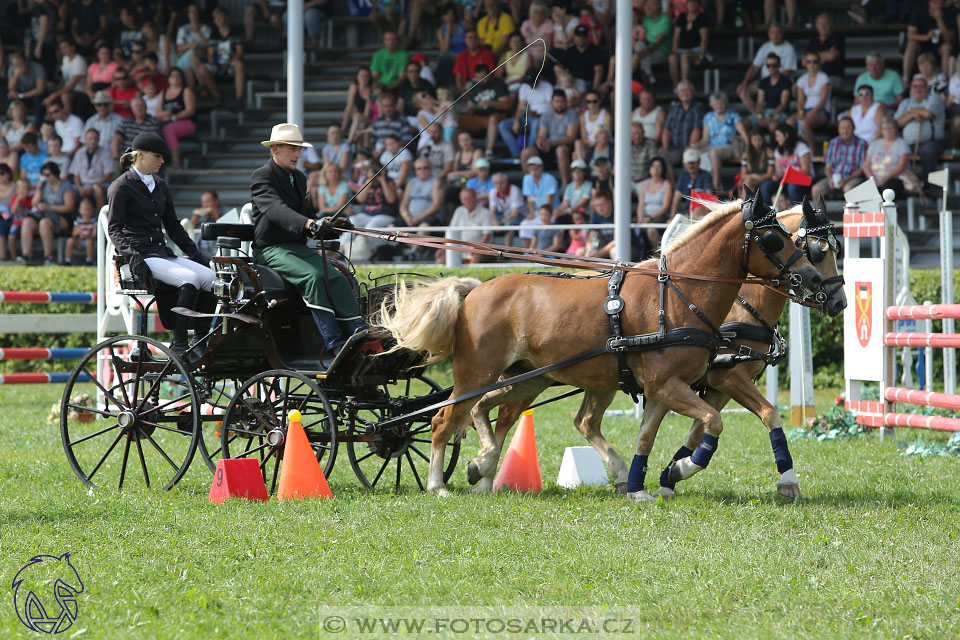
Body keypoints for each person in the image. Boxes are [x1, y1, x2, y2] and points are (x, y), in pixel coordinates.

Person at [250, 123, 365, 368]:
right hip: (270, 250)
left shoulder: (299, 178)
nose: (298, 154)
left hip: (297, 249)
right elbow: (275, 210)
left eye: (299, 149)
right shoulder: (262, 176)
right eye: (292, 149)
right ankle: (334, 346)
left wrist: (329, 223)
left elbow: (306, 213)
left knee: (336, 276)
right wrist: (310, 224)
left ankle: (358, 335)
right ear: (275, 150)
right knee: (313, 276)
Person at [107, 133, 213, 355]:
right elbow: (114, 229)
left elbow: (173, 227)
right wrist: (133, 256)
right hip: (140, 256)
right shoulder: (121, 187)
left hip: (161, 254)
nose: (162, 161)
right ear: (140, 155)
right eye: (157, 156)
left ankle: (201, 340)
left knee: (211, 278)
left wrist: (197, 255)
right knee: (190, 279)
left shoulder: (161, 186)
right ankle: (180, 342)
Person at [19, 161, 75, 265]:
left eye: (47, 175)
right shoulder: (43, 185)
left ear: (55, 174)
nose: (45, 177)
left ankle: (48, 257)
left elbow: (69, 207)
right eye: (43, 175)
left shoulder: (65, 185)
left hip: (62, 217)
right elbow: (34, 203)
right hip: (44, 215)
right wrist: (39, 189)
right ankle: (27, 256)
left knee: (44, 223)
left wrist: (49, 207)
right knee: (27, 222)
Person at [736, 24, 797, 114]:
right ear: (769, 34)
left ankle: (773, 117)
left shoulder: (789, 48)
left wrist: (772, 83)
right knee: (742, 91)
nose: (775, 35)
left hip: (782, 82)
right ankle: (757, 117)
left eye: (778, 32)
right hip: (764, 82)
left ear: (782, 34)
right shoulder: (765, 47)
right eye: (772, 32)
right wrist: (745, 82)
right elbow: (754, 66)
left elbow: (787, 72)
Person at [895, 76, 945, 179]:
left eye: (922, 86)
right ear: (911, 89)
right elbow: (896, 123)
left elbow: (928, 113)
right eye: (915, 86)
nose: (918, 89)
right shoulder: (905, 102)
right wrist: (912, 115)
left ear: (927, 88)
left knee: (928, 151)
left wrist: (910, 112)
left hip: (931, 141)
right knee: (897, 150)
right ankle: (906, 185)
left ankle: (927, 186)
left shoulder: (934, 98)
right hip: (908, 143)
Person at [524, 89, 579, 185]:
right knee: (526, 152)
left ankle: (565, 184)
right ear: (552, 102)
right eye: (557, 102)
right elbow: (541, 134)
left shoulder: (572, 113)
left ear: (566, 101)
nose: (559, 104)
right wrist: (540, 142)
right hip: (549, 145)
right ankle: (530, 183)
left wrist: (553, 143)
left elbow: (571, 137)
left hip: (565, 146)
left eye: (562, 102)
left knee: (560, 150)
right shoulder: (547, 114)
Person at [458, 63, 513, 159]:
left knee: (493, 119)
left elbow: (506, 105)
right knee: (459, 121)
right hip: (479, 117)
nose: (481, 80)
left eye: (483, 77)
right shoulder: (474, 86)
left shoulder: (498, 84)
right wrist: (472, 108)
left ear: (489, 75)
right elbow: (469, 106)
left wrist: (490, 102)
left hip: (498, 116)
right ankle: (459, 154)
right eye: (478, 77)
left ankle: (489, 151)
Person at [498, 68, 553, 158]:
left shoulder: (547, 87)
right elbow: (521, 107)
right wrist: (516, 121)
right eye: (529, 82)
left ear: (539, 79)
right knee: (503, 125)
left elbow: (551, 109)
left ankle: (530, 153)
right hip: (529, 117)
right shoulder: (524, 87)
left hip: (543, 118)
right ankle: (516, 154)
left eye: (532, 82)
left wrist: (539, 115)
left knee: (536, 122)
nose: (530, 85)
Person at [812, 117, 867, 202]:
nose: (845, 131)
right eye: (842, 128)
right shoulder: (833, 143)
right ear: (838, 129)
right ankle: (820, 215)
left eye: (848, 128)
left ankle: (850, 215)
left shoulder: (862, 144)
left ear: (854, 129)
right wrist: (831, 179)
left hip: (853, 178)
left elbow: (862, 169)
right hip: (835, 178)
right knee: (816, 189)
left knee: (848, 189)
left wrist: (845, 180)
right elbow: (828, 166)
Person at [701, 92, 746, 192]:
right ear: (712, 105)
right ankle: (700, 187)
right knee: (692, 154)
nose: (719, 106)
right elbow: (705, 139)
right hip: (711, 147)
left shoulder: (733, 115)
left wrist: (748, 148)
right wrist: (695, 146)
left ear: (726, 103)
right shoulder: (708, 117)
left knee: (713, 153)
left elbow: (744, 134)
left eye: (721, 103)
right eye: (716, 104)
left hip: (730, 147)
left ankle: (715, 187)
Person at [788, 53, 831, 155]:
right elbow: (800, 101)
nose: (812, 64)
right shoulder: (802, 79)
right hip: (806, 110)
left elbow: (823, 101)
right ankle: (790, 151)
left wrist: (811, 113)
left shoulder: (824, 77)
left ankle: (811, 153)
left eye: (815, 61)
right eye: (809, 62)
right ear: (805, 64)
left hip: (821, 111)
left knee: (804, 123)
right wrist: (801, 113)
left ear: (819, 63)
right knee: (790, 122)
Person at [903, 0, 953, 87]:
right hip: (923, 44)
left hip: (939, 47)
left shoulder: (947, 12)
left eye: (940, 4)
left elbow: (949, 39)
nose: (938, 6)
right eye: (935, 3)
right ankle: (906, 78)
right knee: (911, 44)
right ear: (929, 2)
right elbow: (910, 35)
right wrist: (926, 37)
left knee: (947, 47)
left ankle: (944, 81)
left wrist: (939, 20)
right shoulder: (919, 11)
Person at [760, 123, 812, 205]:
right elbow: (779, 172)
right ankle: (768, 214)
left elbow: (806, 171)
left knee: (792, 187)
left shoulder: (801, 147)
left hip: (804, 179)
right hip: (785, 179)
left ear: (786, 135)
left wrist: (790, 175)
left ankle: (796, 214)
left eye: (778, 136)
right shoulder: (778, 150)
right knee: (765, 187)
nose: (776, 139)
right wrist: (776, 176)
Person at [660, 80, 704, 170]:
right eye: (682, 91)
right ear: (678, 94)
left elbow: (697, 129)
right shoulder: (674, 108)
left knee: (689, 159)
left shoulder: (698, 107)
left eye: (687, 90)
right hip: (674, 148)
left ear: (693, 92)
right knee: (661, 160)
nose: (685, 93)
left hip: (691, 147)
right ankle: (671, 184)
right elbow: (666, 129)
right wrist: (665, 146)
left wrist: (690, 147)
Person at [863, 117, 910, 196]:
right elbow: (866, 165)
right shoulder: (874, 144)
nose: (887, 131)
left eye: (890, 128)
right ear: (881, 130)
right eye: (885, 128)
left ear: (896, 129)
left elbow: (902, 166)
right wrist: (872, 179)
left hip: (893, 179)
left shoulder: (902, 144)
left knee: (887, 189)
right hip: (874, 179)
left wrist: (884, 179)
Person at [668, 0, 710, 87]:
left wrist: (701, 57)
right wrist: (674, 52)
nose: (692, 5)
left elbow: (704, 39)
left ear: (698, 5)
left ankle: (685, 85)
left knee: (685, 56)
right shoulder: (682, 17)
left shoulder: (702, 17)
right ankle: (676, 86)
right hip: (682, 49)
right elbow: (675, 38)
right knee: (672, 58)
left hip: (697, 49)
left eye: (694, 3)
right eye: (690, 3)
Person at [636, 156, 673, 252]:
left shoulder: (666, 184)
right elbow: (641, 205)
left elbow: (665, 206)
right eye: (653, 166)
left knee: (651, 230)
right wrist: (640, 217)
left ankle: (658, 255)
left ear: (663, 169)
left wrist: (651, 217)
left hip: (659, 217)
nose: (655, 169)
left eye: (658, 166)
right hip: (646, 217)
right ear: (649, 169)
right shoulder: (644, 186)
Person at [69, 128, 113, 208]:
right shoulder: (79, 152)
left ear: (98, 140)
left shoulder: (106, 152)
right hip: (82, 185)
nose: (92, 141)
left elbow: (108, 174)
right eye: (90, 139)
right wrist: (80, 188)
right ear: (85, 140)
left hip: (99, 184)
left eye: (95, 138)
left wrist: (93, 186)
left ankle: (99, 217)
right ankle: (74, 218)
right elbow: (76, 174)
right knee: (68, 190)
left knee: (98, 190)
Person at [447, 187, 493, 263]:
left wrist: (477, 248)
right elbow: (451, 231)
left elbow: (487, 235)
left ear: (475, 198)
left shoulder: (485, 212)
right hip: (459, 249)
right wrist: (444, 247)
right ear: (461, 201)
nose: (468, 201)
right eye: (465, 199)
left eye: (470, 198)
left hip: (480, 249)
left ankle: (470, 275)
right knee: (441, 256)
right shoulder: (458, 211)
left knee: (475, 256)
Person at [635, 0, 672, 86]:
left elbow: (659, 41)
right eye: (645, 6)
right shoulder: (646, 21)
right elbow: (639, 38)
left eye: (648, 6)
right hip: (646, 50)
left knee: (637, 59)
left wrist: (646, 52)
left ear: (656, 7)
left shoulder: (665, 20)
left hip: (661, 51)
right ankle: (648, 74)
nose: (645, 8)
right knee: (638, 45)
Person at [6, 52, 47, 128]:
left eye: (19, 64)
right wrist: (16, 76)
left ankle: (37, 126)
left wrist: (21, 95)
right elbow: (11, 89)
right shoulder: (12, 69)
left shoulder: (37, 68)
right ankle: (9, 124)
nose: (17, 67)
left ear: (26, 62)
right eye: (15, 64)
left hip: (35, 94)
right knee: (10, 97)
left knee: (38, 98)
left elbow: (40, 90)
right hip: (22, 94)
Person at [400, 158, 444, 227]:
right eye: (419, 168)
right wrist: (406, 217)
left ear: (431, 169)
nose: (422, 171)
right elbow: (403, 205)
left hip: (429, 218)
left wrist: (418, 218)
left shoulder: (436, 181)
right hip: (410, 218)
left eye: (425, 168)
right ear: (415, 170)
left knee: (424, 227)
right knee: (392, 226)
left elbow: (436, 205)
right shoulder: (411, 182)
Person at [806, 13, 845, 87]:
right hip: (814, 76)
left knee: (821, 84)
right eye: (820, 24)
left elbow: (832, 56)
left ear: (831, 25)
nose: (823, 27)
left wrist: (814, 57)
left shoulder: (837, 38)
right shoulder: (813, 40)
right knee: (797, 86)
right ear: (816, 26)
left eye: (826, 24)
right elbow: (804, 61)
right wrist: (825, 55)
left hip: (833, 77)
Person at [565, 25, 606, 92]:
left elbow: (599, 70)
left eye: (583, 35)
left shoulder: (595, 50)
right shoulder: (570, 51)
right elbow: (566, 70)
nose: (581, 38)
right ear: (574, 37)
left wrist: (593, 90)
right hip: (574, 83)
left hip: (590, 83)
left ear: (587, 36)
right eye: (579, 35)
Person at [672, 148, 712, 215]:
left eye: (693, 162)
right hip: (687, 212)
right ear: (685, 164)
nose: (691, 166)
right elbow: (676, 198)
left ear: (699, 162)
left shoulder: (705, 175)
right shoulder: (683, 176)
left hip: (702, 211)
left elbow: (709, 196)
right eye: (689, 163)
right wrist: (672, 217)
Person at [488, 171, 523, 244]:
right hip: (506, 216)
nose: (499, 185)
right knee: (488, 222)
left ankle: (507, 251)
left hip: (521, 216)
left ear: (506, 182)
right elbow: (492, 210)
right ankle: (490, 250)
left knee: (508, 224)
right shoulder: (492, 191)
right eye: (496, 183)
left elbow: (514, 214)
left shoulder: (514, 190)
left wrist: (499, 223)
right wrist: (494, 221)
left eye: (501, 182)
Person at [190, 190, 224, 258]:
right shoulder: (203, 216)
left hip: (217, 252)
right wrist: (195, 218)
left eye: (207, 202)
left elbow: (225, 228)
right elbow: (189, 229)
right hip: (201, 250)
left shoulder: (225, 212)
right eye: (203, 203)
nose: (204, 205)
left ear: (216, 201)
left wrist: (215, 215)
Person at [740, 129, 775, 193]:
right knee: (749, 183)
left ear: (763, 140)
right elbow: (743, 175)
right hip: (751, 179)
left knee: (748, 182)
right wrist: (753, 176)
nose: (757, 142)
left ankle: (744, 202)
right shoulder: (745, 155)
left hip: (764, 179)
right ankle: (749, 202)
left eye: (759, 140)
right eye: (754, 140)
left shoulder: (769, 152)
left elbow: (769, 174)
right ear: (750, 141)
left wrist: (759, 177)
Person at [65, 195, 96, 265]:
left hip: (90, 243)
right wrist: (79, 231)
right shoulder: (78, 221)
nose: (87, 212)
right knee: (70, 240)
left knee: (89, 241)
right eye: (85, 209)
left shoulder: (94, 221)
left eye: (89, 209)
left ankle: (89, 261)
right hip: (79, 242)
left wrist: (88, 236)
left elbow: (95, 234)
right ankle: (67, 260)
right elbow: (73, 234)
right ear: (80, 210)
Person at [585, 189, 614, 258]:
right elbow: (592, 237)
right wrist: (589, 251)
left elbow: (618, 241)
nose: (600, 208)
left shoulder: (618, 213)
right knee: (580, 251)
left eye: (602, 205)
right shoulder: (596, 215)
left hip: (626, 248)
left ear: (609, 203)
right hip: (604, 249)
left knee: (614, 251)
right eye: (597, 206)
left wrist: (601, 252)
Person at [629, 121, 658, 191]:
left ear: (643, 133)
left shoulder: (650, 143)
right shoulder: (625, 143)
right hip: (629, 180)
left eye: (640, 133)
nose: (638, 136)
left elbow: (654, 161)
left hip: (645, 180)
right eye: (635, 133)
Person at [0, 163, 15, 261]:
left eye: (2, 173)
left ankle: (2, 255)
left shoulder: (17, 186)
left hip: (15, 216)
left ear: (9, 174)